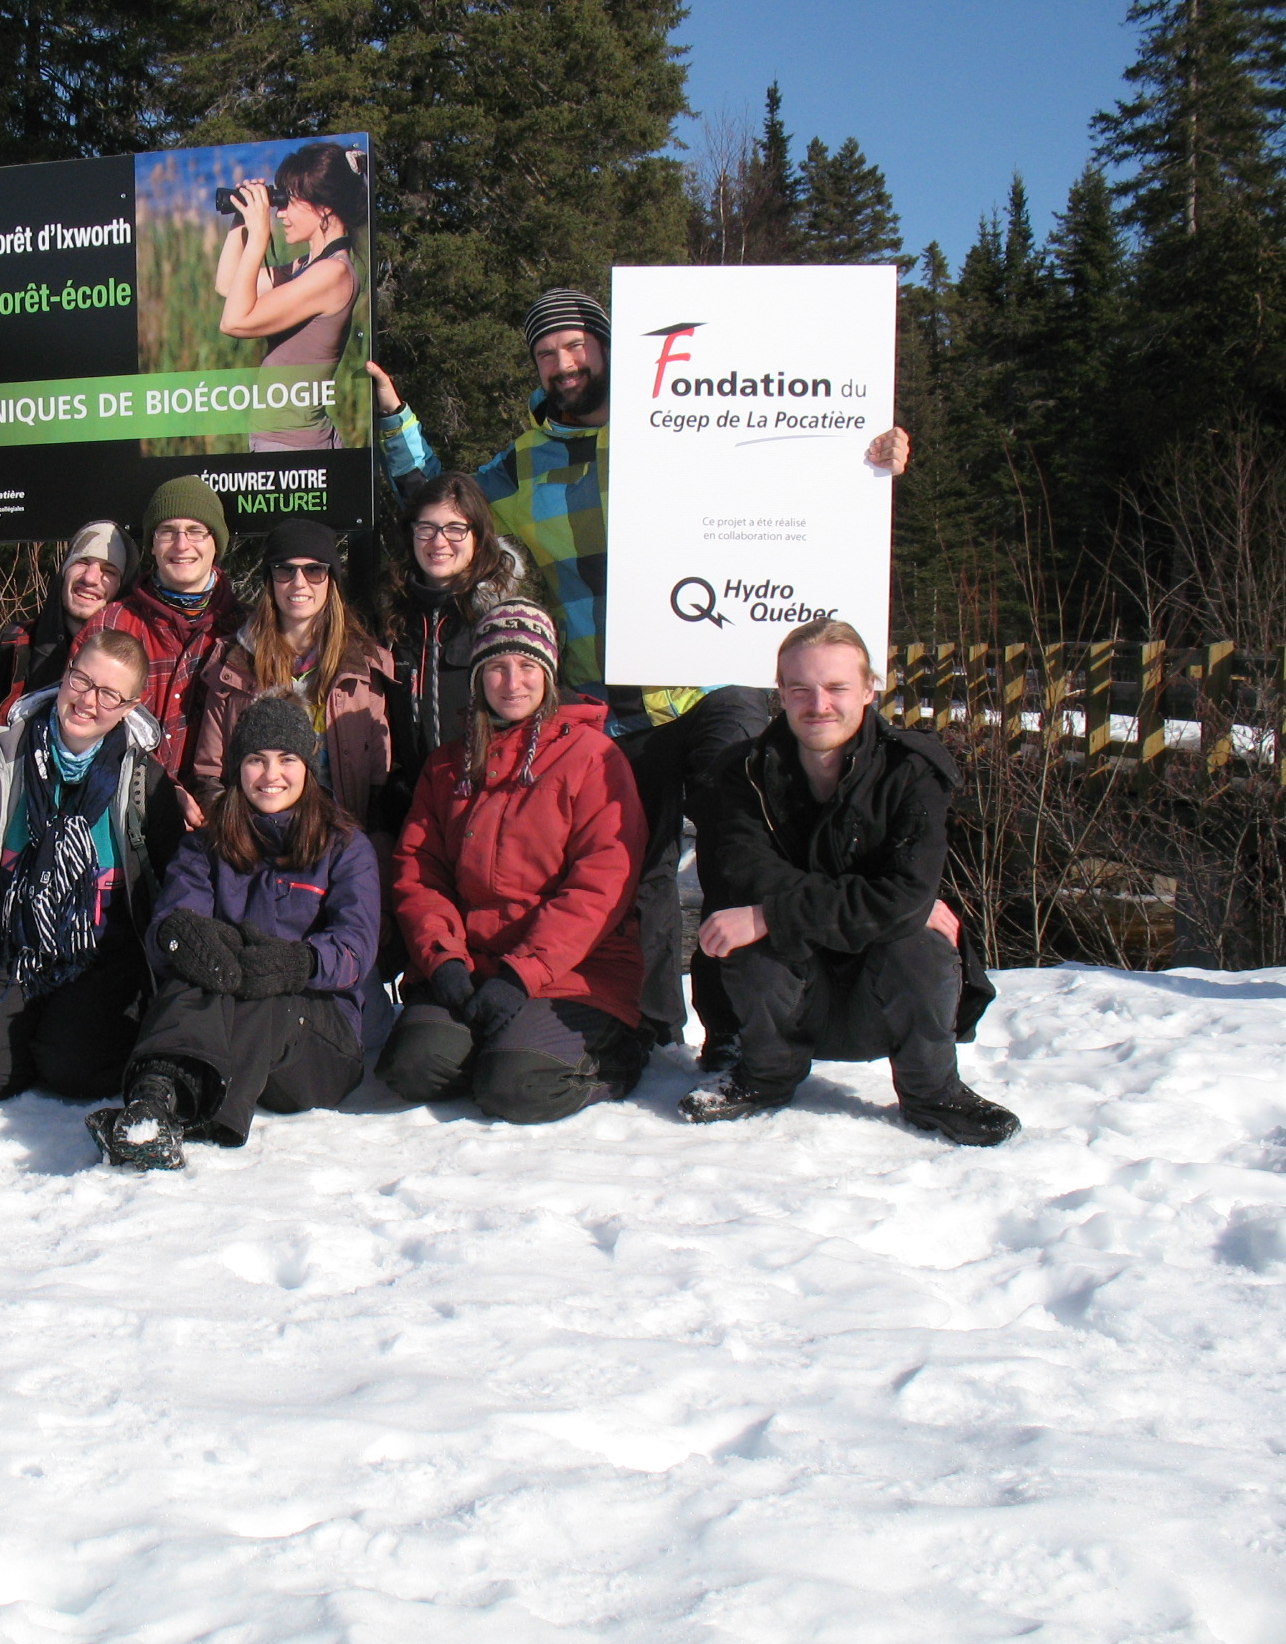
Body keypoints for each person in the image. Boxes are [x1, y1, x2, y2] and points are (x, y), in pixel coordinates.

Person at [369, 289, 912, 1066]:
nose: (563, 364)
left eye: (575, 346)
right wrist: (395, 419)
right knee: (640, 868)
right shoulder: (522, 467)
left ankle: (736, 1035)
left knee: (736, 847)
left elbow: (784, 454)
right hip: (605, 696)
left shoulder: (679, 433)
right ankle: (653, 1032)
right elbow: (441, 505)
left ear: (607, 347)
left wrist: (865, 456)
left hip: (707, 682)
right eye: (546, 354)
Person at [681, 620, 1016, 1146]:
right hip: (781, 1002)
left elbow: (905, 895)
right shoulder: (741, 773)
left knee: (918, 940)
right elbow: (748, 876)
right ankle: (763, 1077)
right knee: (748, 933)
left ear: (868, 690)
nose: (819, 704)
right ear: (780, 692)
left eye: (837, 687)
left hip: (882, 1000)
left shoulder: (912, 769)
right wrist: (870, 902)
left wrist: (775, 912)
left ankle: (933, 1091)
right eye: (800, 689)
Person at [379, 600, 650, 1124]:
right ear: (478, 678)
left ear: (548, 674)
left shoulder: (592, 757)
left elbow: (601, 886)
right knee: (411, 1070)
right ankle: (500, 1047)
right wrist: (444, 960)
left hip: (574, 969)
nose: (512, 682)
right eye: (497, 667)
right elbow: (420, 871)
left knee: (516, 1088)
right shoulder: (448, 764)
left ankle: (616, 1055)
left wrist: (522, 974)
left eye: (527, 665)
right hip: (475, 962)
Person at [91, 695, 381, 1169]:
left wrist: (299, 962)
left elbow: (356, 948)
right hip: (226, 1016)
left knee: (271, 999)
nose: (271, 775)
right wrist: (182, 939)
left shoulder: (345, 847)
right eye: (256, 760)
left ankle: (200, 1116)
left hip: (317, 1041)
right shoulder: (206, 846)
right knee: (191, 976)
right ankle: (150, 1105)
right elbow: (172, 920)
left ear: (308, 768)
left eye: (287, 759)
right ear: (236, 768)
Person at [0, 628, 184, 1104]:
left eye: (109, 695)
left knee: (76, 1074)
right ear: (66, 674)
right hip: (8, 946)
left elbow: (176, 885)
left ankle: (57, 1035)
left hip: (100, 955)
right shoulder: (3, 757)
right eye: (82, 681)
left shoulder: (144, 780)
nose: (88, 701)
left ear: (129, 707)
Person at [189, 516, 393, 830]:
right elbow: (209, 773)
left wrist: (370, 841)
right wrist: (234, 835)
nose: (299, 583)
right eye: (284, 570)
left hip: (339, 834)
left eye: (314, 570)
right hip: (255, 836)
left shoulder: (365, 663)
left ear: (331, 580)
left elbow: (380, 776)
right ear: (270, 580)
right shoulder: (234, 662)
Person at [374, 471, 533, 828]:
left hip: (488, 806)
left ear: (477, 534)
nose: (439, 541)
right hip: (412, 808)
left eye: (455, 529)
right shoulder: (390, 615)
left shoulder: (504, 619)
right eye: (426, 528)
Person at [80, 476, 246, 803]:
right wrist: (159, 794)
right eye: (167, 531)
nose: (181, 545)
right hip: (125, 813)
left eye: (196, 531)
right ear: (152, 545)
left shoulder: (248, 631)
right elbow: (79, 731)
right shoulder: (111, 625)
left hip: (226, 817)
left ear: (216, 543)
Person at [216, 141, 367, 451]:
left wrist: (259, 237)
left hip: (297, 448)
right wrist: (241, 217)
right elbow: (228, 286)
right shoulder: (307, 267)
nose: (280, 213)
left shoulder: (333, 273)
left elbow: (234, 322)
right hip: (279, 441)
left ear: (324, 207)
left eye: (288, 202)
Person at [0, 520, 137, 746]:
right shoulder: (11, 648)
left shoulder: (136, 663)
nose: (90, 578)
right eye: (82, 562)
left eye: (108, 571)